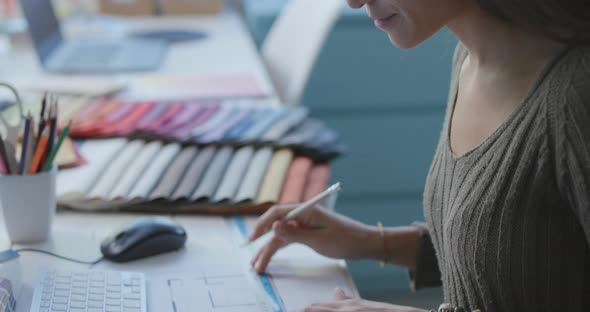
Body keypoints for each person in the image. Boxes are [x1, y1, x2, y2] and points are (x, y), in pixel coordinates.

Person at [247, 0, 590, 311]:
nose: (354, 2)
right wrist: (369, 241)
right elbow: (520, 261)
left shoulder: (576, 97)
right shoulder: (471, 59)